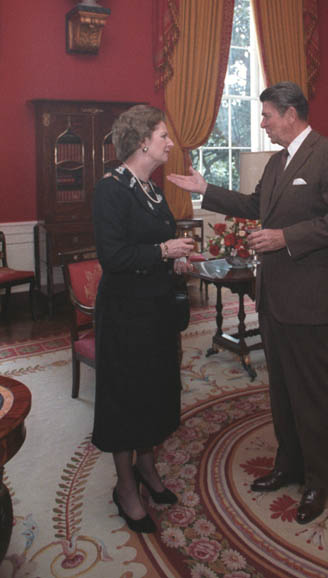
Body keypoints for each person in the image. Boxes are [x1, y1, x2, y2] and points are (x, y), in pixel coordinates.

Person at [168, 81, 328, 525]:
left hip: (310, 299)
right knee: (281, 389)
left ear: (291, 114)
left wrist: (284, 237)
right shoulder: (278, 162)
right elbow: (256, 204)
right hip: (273, 296)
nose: (262, 123)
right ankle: (288, 464)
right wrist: (206, 188)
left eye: (267, 115)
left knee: (310, 392)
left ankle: (317, 481)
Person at [92, 104, 194, 533]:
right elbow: (113, 257)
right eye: (164, 136)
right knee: (127, 398)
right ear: (141, 142)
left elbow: (155, 243)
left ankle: (149, 470)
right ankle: (126, 486)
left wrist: (175, 260)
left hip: (156, 310)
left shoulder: (151, 188)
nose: (170, 142)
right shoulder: (111, 189)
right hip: (125, 315)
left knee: (155, 391)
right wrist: (164, 252)